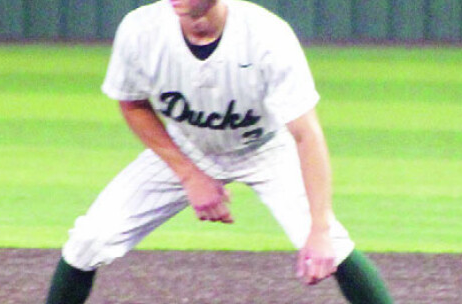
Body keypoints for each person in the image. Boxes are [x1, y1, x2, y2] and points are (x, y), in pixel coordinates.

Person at [46, 0, 393, 303]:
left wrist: (318, 230)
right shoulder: (140, 30)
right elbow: (133, 104)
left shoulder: (267, 35)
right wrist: (189, 175)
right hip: (185, 147)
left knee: (332, 244)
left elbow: (307, 135)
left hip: (264, 149)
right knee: (87, 241)